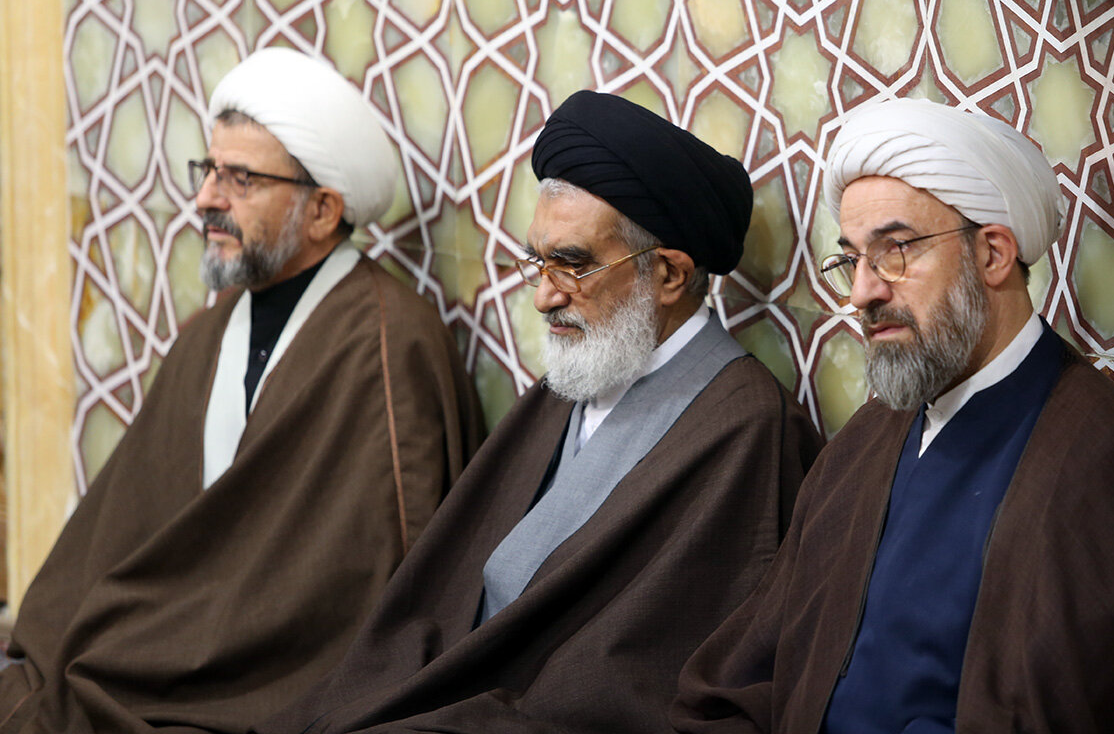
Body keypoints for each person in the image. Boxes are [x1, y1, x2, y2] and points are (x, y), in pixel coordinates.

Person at [253, 89, 824, 734]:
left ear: (668, 275)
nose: (544, 297)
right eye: (538, 262)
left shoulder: (747, 428)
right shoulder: (579, 379)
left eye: (573, 265)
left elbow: (646, 673)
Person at [671, 97, 1114, 733]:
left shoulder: (1106, 460)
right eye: (852, 259)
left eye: (895, 250)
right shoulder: (868, 440)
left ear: (993, 255)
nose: (863, 291)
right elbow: (751, 673)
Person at [0, 48, 483, 734]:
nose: (206, 199)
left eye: (241, 179)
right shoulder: (212, 330)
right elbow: (131, 522)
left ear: (322, 210)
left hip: (274, 678)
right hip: (176, 641)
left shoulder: (386, 343)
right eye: (209, 170)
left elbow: (367, 590)